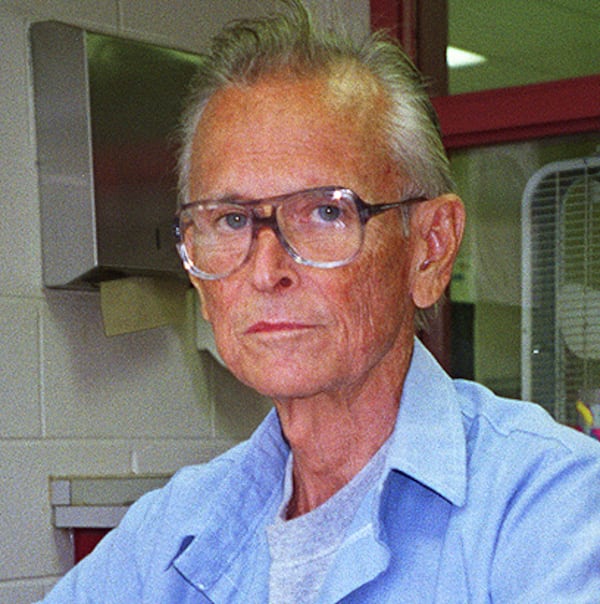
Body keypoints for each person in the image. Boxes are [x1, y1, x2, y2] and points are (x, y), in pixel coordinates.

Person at [41, 1, 600, 602]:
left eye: (326, 211)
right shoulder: (168, 535)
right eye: (230, 220)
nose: (267, 268)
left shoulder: (552, 509)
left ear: (430, 250)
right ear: (201, 284)